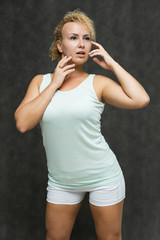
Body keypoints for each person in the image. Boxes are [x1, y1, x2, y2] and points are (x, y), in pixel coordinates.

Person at [14, 9, 150, 240]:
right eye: (73, 38)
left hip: (103, 178)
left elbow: (140, 99)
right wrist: (55, 83)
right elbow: (23, 123)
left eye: (87, 38)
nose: (82, 44)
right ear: (60, 45)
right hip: (61, 181)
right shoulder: (41, 82)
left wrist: (113, 64)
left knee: (110, 238)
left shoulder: (98, 84)